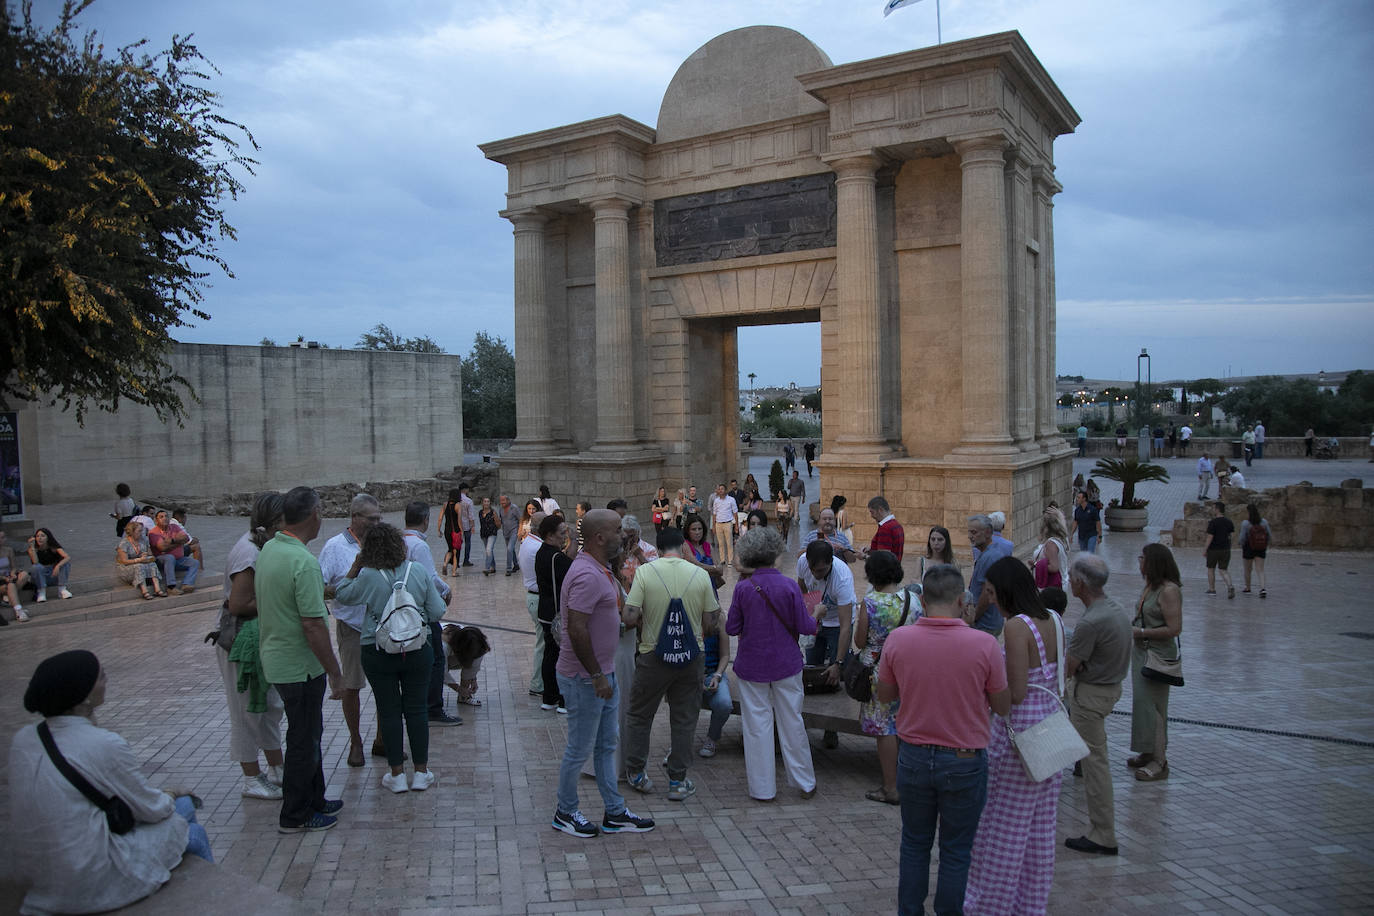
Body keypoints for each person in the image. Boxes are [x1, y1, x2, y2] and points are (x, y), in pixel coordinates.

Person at [9, 651, 213, 914]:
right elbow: (152, 809)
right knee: (192, 829)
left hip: (41, 871)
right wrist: (171, 793)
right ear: (83, 694)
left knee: (183, 808)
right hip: (87, 877)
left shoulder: (24, 739)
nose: (106, 680)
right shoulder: (103, 743)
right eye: (101, 676)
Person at [876, 565, 1009, 916]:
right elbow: (1002, 705)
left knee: (914, 844)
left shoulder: (899, 640)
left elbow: (885, 695)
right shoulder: (985, 644)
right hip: (965, 759)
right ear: (962, 600)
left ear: (922, 600)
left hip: (914, 757)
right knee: (956, 850)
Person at [963, 559, 1064, 915]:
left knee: (1001, 831)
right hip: (1051, 730)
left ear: (1006, 590)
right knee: (1039, 831)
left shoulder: (1017, 627)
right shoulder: (1053, 619)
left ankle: (988, 906)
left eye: (991, 592)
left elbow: (1015, 693)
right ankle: (1029, 906)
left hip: (1018, 738)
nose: (989, 599)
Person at [551, 509, 655, 838]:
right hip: (586, 678)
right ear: (599, 537)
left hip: (602, 674)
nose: (623, 535)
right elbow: (576, 628)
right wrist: (596, 675)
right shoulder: (586, 574)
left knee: (606, 745)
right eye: (617, 530)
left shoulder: (601, 569)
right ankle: (565, 811)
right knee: (579, 749)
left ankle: (615, 811)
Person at [254, 486, 345, 833]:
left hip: (278, 660)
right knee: (303, 740)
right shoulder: (304, 562)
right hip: (299, 666)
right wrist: (335, 672)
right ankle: (295, 815)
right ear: (314, 514)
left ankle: (315, 799)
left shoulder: (271, 548)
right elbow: (313, 625)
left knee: (309, 733)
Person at [334, 523, 447, 794]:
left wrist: (355, 567)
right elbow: (437, 611)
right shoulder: (417, 571)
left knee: (388, 710)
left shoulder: (368, 576)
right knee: (417, 709)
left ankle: (396, 774)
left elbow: (342, 594)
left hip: (377, 649)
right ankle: (421, 773)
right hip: (416, 648)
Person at [623, 526, 718, 801]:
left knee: (640, 715)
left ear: (658, 548)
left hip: (652, 655)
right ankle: (677, 781)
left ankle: (636, 772)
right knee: (684, 718)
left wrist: (647, 621)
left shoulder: (645, 572)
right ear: (683, 547)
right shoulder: (700, 574)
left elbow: (629, 617)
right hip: (691, 657)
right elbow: (711, 621)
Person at [726, 526, 819, 802]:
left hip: (751, 664)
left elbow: (732, 627)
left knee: (757, 725)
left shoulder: (743, 588)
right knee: (792, 721)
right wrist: (817, 614)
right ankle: (804, 782)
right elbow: (806, 626)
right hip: (786, 663)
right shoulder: (789, 586)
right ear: (774, 552)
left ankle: (763, 789)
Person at [215, 493, 288, 800]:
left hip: (258, 640)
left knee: (270, 706)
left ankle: (277, 768)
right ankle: (251, 777)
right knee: (246, 711)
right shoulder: (248, 552)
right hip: (240, 643)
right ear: (276, 521)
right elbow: (238, 603)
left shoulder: (262, 545)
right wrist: (281, 601)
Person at [1063, 555, 1131, 857]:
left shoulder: (1090, 622)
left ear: (1080, 583)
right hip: (1109, 689)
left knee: (1095, 766)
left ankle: (1103, 833)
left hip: (1090, 696)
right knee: (1095, 762)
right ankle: (1101, 830)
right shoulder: (1115, 610)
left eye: (1072, 577)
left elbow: (1071, 665)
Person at [318, 493, 385, 767]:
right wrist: (348, 588)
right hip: (352, 627)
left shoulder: (382, 543)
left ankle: (382, 739)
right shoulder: (334, 547)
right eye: (372, 519)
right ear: (355, 517)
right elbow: (319, 586)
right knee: (352, 686)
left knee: (386, 686)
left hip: (382, 625)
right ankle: (355, 742)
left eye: (379, 518)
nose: (377, 524)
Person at [855, 549, 912, 806]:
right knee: (904, 723)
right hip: (909, 669)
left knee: (884, 728)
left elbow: (860, 641)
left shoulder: (871, 602)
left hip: (879, 672)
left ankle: (891, 787)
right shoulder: (913, 599)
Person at [402, 501, 461, 727]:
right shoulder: (419, 545)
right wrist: (446, 590)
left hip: (404, 609)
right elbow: (430, 578)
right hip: (421, 611)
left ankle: (415, 705)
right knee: (436, 659)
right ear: (426, 520)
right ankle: (433, 707)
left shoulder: (400, 541)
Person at [1130, 544, 1183, 783]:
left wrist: (1142, 632)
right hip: (1141, 652)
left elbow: (1174, 628)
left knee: (1154, 707)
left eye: (1142, 558)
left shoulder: (1169, 591)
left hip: (1157, 655)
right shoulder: (1150, 586)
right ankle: (1148, 750)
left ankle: (1160, 761)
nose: (1139, 562)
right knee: (1142, 704)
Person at [796, 540, 855, 683]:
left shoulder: (842, 578)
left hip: (837, 623)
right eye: (812, 569)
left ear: (831, 562)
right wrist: (811, 614)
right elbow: (802, 588)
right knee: (813, 666)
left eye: (821, 570)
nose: (815, 574)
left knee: (838, 672)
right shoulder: (802, 561)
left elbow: (845, 626)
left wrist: (838, 663)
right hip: (817, 619)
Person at [535, 513, 572, 714]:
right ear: (550, 535)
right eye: (562, 533)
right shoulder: (556, 558)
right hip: (556, 614)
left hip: (545, 611)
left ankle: (549, 698)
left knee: (550, 654)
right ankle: (563, 700)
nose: (565, 536)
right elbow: (572, 567)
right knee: (562, 657)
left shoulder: (542, 552)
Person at [967, 515, 1012, 635]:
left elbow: (986, 593)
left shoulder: (990, 557)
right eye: (969, 532)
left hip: (985, 623)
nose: (970, 536)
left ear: (987, 532)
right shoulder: (990, 553)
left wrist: (974, 617)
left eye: (974, 532)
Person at [146, 510, 199, 594]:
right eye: (161, 517)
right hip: (161, 560)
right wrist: (179, 542)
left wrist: (172, 540)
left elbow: (186, 538)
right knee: (169, 557)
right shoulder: (153, 533)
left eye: (166, 516)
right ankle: (171, 587)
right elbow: (162, 548)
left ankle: (187, 584)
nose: (164, 518)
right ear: (156, 521)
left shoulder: (174, 527)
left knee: (194, 562)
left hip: (178, 559)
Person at [115, 520, 165, 599]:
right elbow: (124, 561)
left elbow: (151, 554)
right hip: (127, 567)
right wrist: (138, 560)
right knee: (139, 566)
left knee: (152, 564)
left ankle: (157, 589)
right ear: (132, 532)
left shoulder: (144, 540)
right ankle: (145, 591)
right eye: (139, 531)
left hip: (141, 562)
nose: (141, 533)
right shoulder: (124, 543)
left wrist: (145, 555)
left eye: (142, 531)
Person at [27, 527, 74, 601]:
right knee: (36, 567)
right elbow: (35, 562)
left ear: (48, 537)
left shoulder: (53, 547)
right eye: (37, 536)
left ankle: (62, 589)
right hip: (41, 576)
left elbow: (67, 557)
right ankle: (41, 592)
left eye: (42, 536)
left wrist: (58, 566)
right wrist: (32, 547)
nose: (40, 538)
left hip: (53, 574)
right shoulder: (32, 549)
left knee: (65, 563)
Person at [1238, 501, 1272, 598]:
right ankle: (1263, 588)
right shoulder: (1264, 522)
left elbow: (1242, 538)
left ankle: (1248, 588)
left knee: (1247, 570)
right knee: (1260, 569)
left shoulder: (1245, 523)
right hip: (1261, 547)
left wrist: (1241, 544)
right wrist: (1266, 544)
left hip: (1248, 548)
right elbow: (1269, 535)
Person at [1203, 501, 1236, 599]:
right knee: (1223, 570)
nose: (1212, 510)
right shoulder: (1229, 522)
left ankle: (1212, 589)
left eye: (1213, 508)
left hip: (1213, 549)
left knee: (1211, 569)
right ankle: (1230, 586)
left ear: (1217, 509)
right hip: (1225, 549)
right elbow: (1232, 535)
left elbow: (1210, 537)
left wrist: (1205, 549)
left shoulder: (1213, 522)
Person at [0, 529, 33, 621]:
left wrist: (12, 573)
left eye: (2, 537)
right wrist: (4, 578)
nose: (1, 540)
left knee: (24, 574)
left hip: (9, 576)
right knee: (10, 585)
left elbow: (14, 566)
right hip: (1, 580)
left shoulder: (9, 550)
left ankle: (10, 597)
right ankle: (19, 610)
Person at [1032, 508, 1069, 588]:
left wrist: (1036, 565)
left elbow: (1054, 567)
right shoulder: (1062, 539)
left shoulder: (1051, 544)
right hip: (1060, 584)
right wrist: (1060, 516)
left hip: (1051, 586)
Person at [861, 495, 905, 561]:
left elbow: (883, 559)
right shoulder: (897, 525)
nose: (871, 516)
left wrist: (864, 556)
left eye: (872, 512)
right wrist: (872, 550)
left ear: (880, 510)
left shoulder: (885, 528)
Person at [708, 483, 739, 567]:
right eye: (719, 489)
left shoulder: (731, 500)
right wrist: (713, 526)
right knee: (720, 543)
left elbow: (735, 512)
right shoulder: (716, 501)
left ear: (725, 490)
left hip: (728, 523)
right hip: (718, 524)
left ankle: (730, 561)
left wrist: (736, 525)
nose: (720, 490)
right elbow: (714, 514)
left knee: (729, 543)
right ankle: (722, 560)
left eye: (722, 489)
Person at [1069, 490, 1101, 555]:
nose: (1077, 499)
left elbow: (1098, 522)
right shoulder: (1077, 510)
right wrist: (1071, 534)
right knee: (1083, 555)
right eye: (1077, 497)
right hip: (1082, 536)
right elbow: (1075, 522)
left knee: (1090, 554)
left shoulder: (1092, 509)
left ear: (1084, 499)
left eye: (1079, 497)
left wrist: (1099, 535)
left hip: (1091, 535)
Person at [440, 488, 463, 577]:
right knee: (456, 551)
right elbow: (459, 520)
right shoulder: (458, 505)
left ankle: (445, 563)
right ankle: (454, 572)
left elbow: (440, 518)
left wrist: (438, 529)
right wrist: (462, 531)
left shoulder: (445, 504)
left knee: (450, 549)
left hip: (447, 530)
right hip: (455, 531)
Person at [499, 493, 521, 576]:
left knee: (509, 549)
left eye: (503, 500)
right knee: (511, 550)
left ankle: (508, 569)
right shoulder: (501, 509)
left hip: (514, 530)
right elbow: (501, 520)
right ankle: (516, 565)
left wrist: (520, 531)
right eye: (501, 500)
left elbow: (520, 519)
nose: (502, 502)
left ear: (508, 500)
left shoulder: (514, 508)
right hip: (505, 532)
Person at [478, 496, 500, 575]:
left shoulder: (493, 512)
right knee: (489, 551)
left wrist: (494, 529)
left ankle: (487, 568)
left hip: (492, 533)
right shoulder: (480, 512)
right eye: (485, 501)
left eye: (488, 501)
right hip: (484, 534)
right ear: (482, 503)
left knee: (488, 550)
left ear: (490, 503)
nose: (486, 503)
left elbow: (498, 524)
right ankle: (493, 567)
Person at [459, 481, 477, 569]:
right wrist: (472, 526)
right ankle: (466, 560)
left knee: (457, 543)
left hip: (457, 525)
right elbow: (471, 515)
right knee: (467, 543)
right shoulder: (468, 501)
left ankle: (455, 560)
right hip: (466, 525)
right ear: (465, 490)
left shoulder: (455, 500)